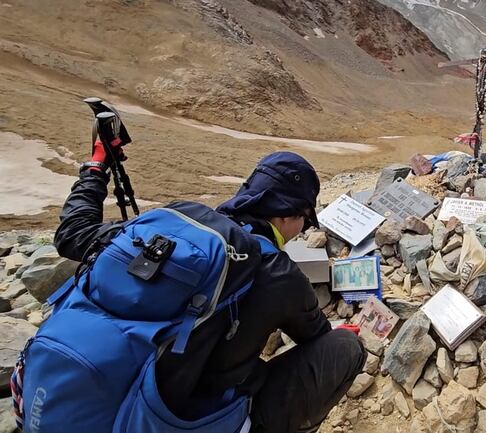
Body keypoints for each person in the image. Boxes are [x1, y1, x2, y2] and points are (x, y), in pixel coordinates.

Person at [53, 141, 366, 433]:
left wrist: (96, 166)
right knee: (346, 349)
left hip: (76, 395)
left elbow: (72, 233)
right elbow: (317, 335)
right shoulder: (278, 271)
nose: (301, 231)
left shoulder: (172, 221)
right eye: (304, 222)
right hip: (171, 417)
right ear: (287, 215)